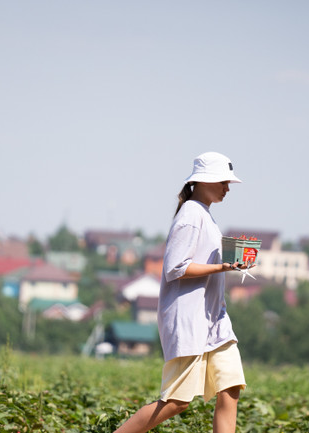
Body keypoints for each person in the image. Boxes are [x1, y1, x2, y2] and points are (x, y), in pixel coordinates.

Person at [114, 151, 252, 433]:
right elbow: (175, 268)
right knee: (177, 402)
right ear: (204, 181)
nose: (227, 188)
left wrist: (229, 262)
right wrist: (222, 267)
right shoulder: (190, 215)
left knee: (231, 387)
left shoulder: (205, 215)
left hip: (215, 319)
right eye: (223, 182)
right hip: (189, 319)